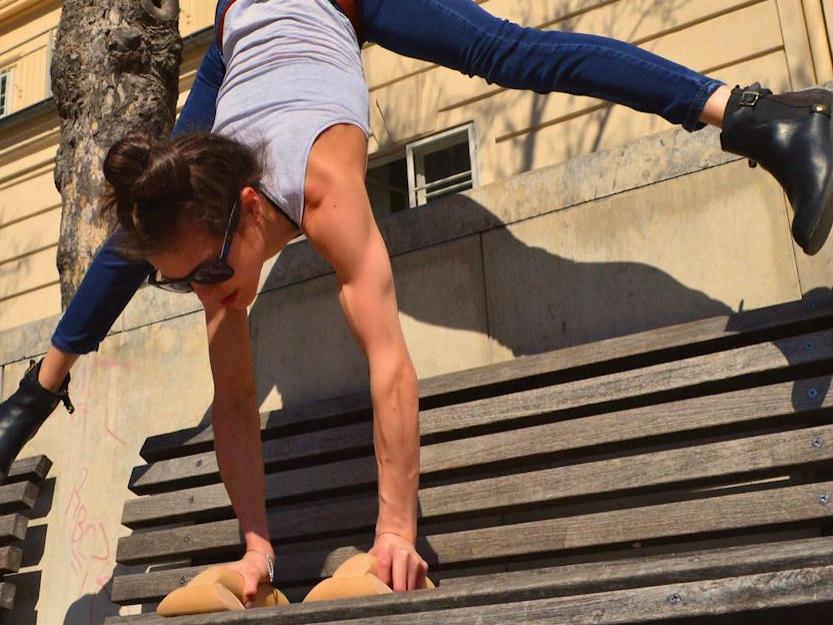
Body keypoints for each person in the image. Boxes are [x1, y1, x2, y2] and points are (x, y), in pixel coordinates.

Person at [1, 0, 831, 608]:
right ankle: (30, 397)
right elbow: (233, 407)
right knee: (146, 203)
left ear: (250, 211)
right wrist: (256, 547)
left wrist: (394, 529)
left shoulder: (321, 184)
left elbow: (388, 361)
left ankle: (755, 117)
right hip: (237, 24)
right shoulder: (207, 229)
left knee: (508, 52)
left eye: (205, 274)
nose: (204, 294)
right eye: (182, 283)